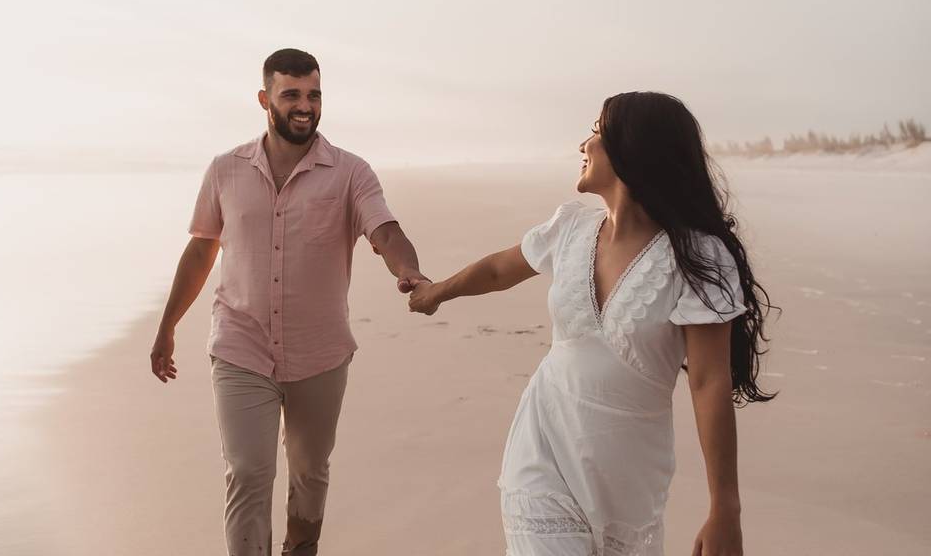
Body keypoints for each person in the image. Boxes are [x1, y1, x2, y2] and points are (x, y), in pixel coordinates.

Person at [409, 92, 775, 556]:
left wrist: (725, 507)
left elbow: (708, 382)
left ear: (631, 149)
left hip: (629, 475)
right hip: (543, 451)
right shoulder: (570, 228)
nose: (584, 143)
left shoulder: (699, 257)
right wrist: (437, 291)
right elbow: (501, 269)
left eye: (598, 132)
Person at [149, 48, 427, 556]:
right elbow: (201, 248)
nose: (305, 106)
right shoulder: (224, 169)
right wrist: (168, 326)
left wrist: (407, 268)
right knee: (248, 472)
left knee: (309, 472)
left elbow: (384, 229)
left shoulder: (351, 172)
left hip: (319, 353)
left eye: (314, 95)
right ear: (265, 99)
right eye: (292, 94)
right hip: (240, 346)